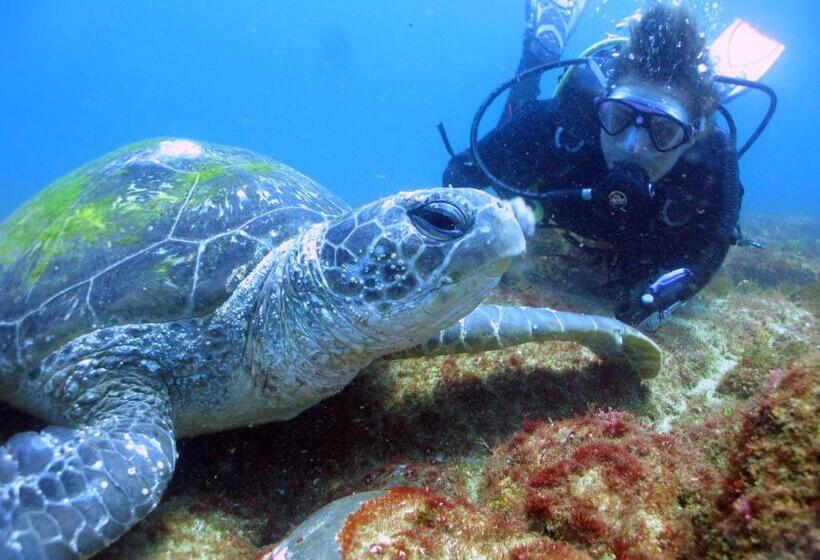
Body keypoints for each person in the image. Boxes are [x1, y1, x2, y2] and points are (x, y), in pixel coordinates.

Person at [443, 0, 744, 330]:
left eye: (663, 131)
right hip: (551, 187)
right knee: (518, 116)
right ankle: (540, 51)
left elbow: (710, 249)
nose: (632, 145)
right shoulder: (563, 126)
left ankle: (711, 84)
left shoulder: (707, 170)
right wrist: (491, 210)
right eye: (619, 116)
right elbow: (461, 172)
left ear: (692, 137)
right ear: (600, 103)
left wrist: (667, 294)